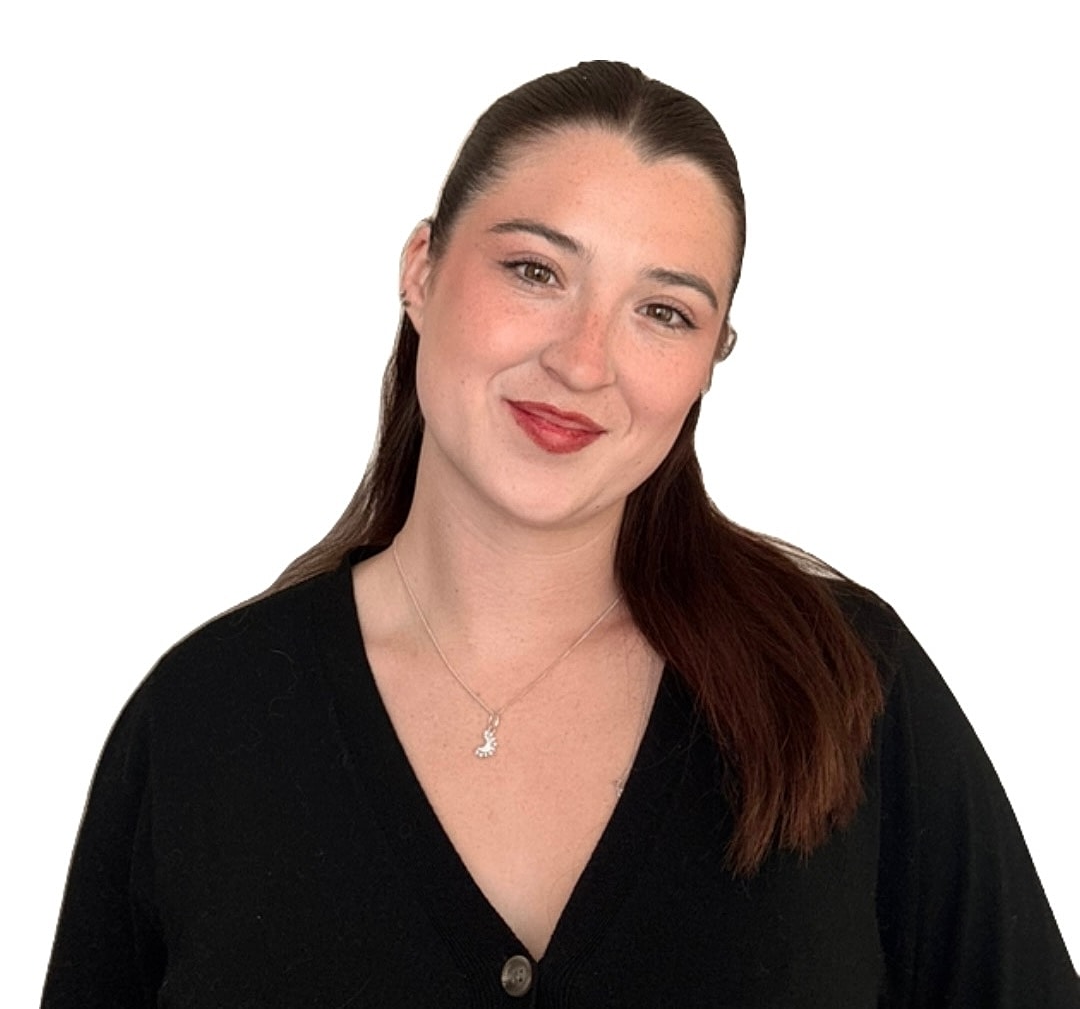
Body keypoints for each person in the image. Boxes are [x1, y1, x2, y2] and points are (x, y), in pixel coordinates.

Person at [42, 61, 1078, 1007]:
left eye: (663, 312)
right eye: (536, 271)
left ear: (712, 358)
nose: (583, 362)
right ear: (421, 269)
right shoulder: (203, 723)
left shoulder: (845, 686)